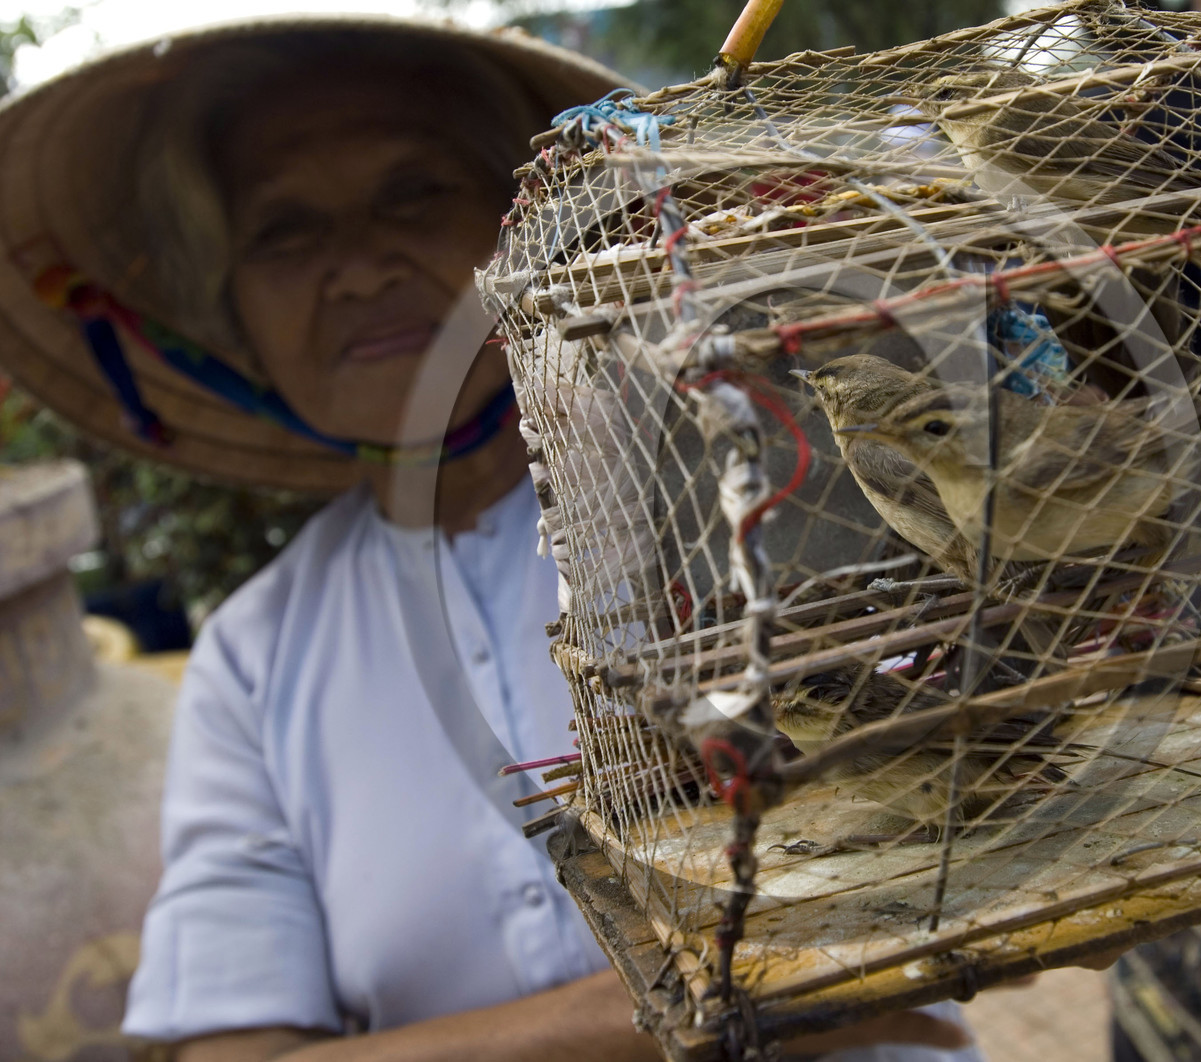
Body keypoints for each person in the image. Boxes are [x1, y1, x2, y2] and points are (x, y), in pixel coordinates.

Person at [0, 18, 988, 1061]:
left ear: (531, 232)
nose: (357, 267)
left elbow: (948, 852)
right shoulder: (254, 658)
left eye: (412, 193)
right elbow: (229, 1050)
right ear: (231, 313)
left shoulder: (770, 476)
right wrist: (680, 1006)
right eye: (283, 232)